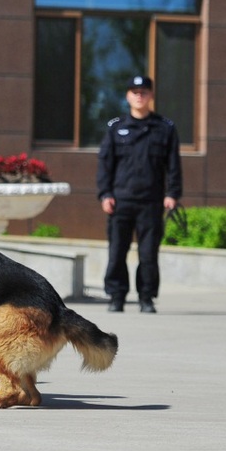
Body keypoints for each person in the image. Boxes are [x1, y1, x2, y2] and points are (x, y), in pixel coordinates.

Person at [95, 75, 182, 314]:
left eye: (143, 92)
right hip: (120, 201)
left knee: (148, 254)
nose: (139, 96)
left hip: (151, 202)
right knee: (117, 252)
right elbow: (105, 164)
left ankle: (146, 298)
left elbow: (173, 165)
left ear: (151, 95)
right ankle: (116, 296)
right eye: (134, 92)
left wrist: (172, 194)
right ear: (128, 96)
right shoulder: (116, 128)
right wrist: (105, 194)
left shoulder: (165, 129)